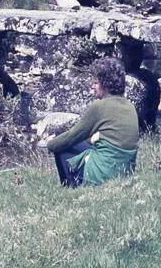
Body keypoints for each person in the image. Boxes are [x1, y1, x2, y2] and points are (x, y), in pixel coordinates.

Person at [45, 58, 139, 187]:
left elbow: (72, 137)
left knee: (61, 147)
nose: (92, 86)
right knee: (81, 143)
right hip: (124, 172)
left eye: (95, 82)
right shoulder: (130, 106)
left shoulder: (99, 106)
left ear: (105, 84)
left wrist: (49, 145)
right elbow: (110, 136)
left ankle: (70, 187)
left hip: (105, 173)